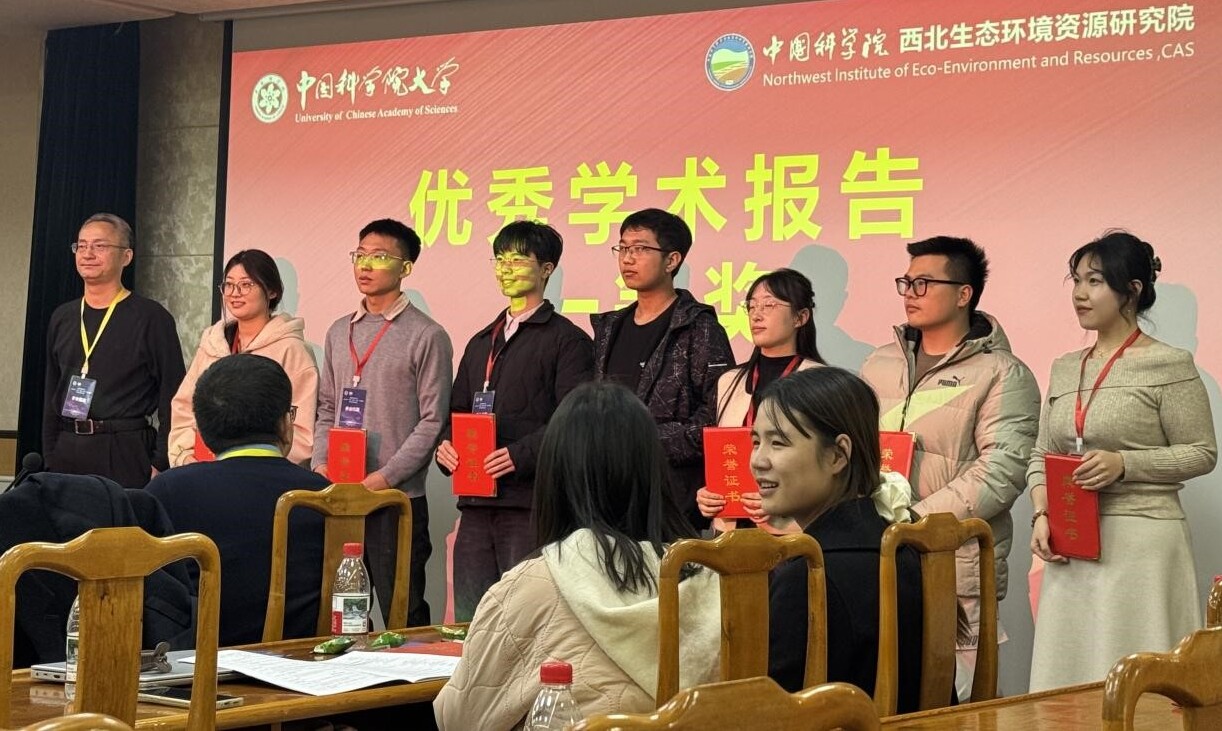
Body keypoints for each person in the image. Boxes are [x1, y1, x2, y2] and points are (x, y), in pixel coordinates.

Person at [434, 382, 722, 730]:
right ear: (654, 472)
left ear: (554, 478)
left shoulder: (528, 587)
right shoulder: (711, 579)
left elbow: (457, 718)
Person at [1027, 231, 1216, 691]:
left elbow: (1202, 452)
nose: (1079, 293)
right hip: (1072, 542)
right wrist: (1042, 513)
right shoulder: (1065, 367)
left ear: (1132, 289)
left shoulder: (1170, 364)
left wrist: (1126, 464)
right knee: (1069, 679)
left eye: (1094, 281)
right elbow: (1040, 454)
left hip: (1142, 543)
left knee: (1138, 680)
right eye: (1076, 280)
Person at [858, 236, 1038, 698]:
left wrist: (913, 519)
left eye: (924, 283)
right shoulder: (879, 362)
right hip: (878, 554)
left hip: (954, 562)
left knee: (957, 700)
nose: (910, 293)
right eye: (906, 282)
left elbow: (1001, 470)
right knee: (884, 693)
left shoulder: (1002, 372)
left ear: (964, 294)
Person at [435, 221, 594, 622]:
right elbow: (456, 412)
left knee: (526, 616)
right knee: (472, 618)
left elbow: (573, 420)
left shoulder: (568, 340)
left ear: (547, 269)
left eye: (519, 259)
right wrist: (446, 447)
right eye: (500, 259)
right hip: (475, 503)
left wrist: (520, 455)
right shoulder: (481, 342)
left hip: (530, 505)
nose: (506, 268)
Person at [312, 219, 452, 628]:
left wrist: (384, 478)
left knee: (401, 613)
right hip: (342, 494)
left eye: (379, 256)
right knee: (344, 612)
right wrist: (320, 463)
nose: (365, 265)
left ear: (405, 268)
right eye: (360, 255)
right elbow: (326, 406)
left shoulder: (427, 335)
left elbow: (432, 421)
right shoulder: (339, 331)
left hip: (395, 500)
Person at [759, 367, 924, 711]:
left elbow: (774, 713)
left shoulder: (807, 575)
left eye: (778, 443)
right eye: (755, 442)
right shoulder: (909, 550)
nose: (758, 460)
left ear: (837, 455)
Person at [147, 354, 328, 646]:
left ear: (202, 431)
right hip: (305, 661)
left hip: (196, 665)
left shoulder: (167, 491)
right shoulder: (325, 495)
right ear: (285, 424)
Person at [591, 208, 734, 526]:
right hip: (609, 490)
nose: (628, 258)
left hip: (671, 496)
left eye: (640, 248)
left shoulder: (699, 328)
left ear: (672, 261)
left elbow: (717, 415)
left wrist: (644, 442)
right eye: (622, 248)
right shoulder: (610, 327)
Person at [43, 212, 185, 488]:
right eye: (81, 246)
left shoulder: (151, 318)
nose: (88, 254)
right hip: (67, 450)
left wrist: (160, 461)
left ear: (126, 256)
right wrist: (51, 453)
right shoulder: (63, 316)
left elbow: (174, 393)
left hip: (124, 449)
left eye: (99, 246)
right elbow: (52, 389)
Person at [695, 268, 824, 532]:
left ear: (800, 317)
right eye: (751, 306)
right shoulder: (729, 381)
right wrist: (708, 493)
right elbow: (720, 455)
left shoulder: (819, 380)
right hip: (732, 528)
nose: (756, 314)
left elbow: (825, 466)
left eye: (769, 305)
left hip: (790, 530)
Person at [168, 249, 318, 467]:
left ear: (272, 291)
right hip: (206, 469)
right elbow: (183, 407)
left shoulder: (292, 350)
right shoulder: (213, 344)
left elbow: (302, 430)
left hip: (264, 473)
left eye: (246, 284)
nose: (235, 293)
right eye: (229, 285)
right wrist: (184, 457)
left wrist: (262, 467)